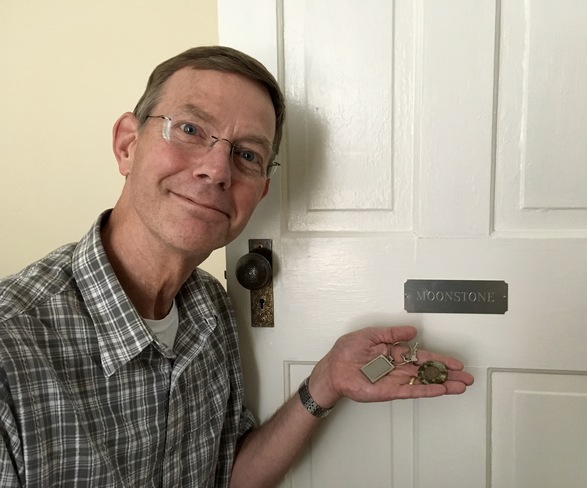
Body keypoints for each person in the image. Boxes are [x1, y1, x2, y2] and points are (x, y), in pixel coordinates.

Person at [0, 46, 474, 487]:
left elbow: (231, 476)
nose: (217, 169)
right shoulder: (11, 351)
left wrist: (326, 380)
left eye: (247, 155)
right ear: (127, 144)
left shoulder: (211, 308)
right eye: (190, 129)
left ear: (260, 192)